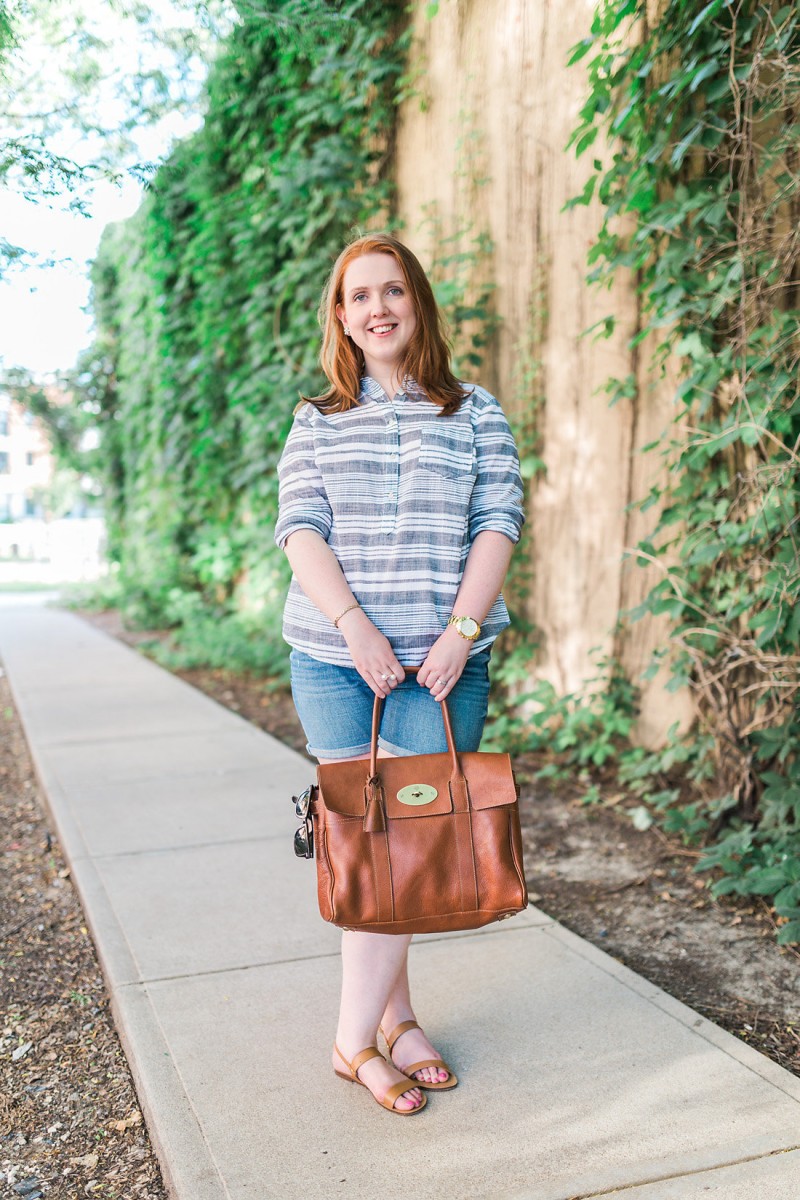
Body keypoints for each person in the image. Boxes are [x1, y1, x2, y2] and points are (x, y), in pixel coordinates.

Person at [274, 232, 524, 1115]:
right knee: (369, 851)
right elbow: (300, 530)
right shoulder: (316, 419)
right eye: (359, 296)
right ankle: (383, 1030)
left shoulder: (474, 411)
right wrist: (356, 628)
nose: (377, 308)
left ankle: (365, 1034)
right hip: (337, 663)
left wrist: (460, 631)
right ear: (341, 317)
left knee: (409, 850)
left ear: (416, 303)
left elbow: (498, 521)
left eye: (393, 291)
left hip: (446, 669)